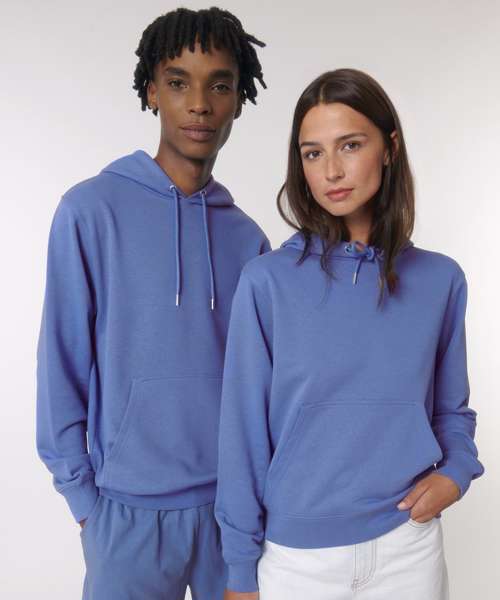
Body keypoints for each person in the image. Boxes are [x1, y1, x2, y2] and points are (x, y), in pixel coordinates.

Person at [214, 68, 485, 600]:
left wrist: (456, 471)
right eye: (313, 153)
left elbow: (451, 409)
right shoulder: (268, 282)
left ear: (390, 148)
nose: (332, 171)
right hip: (297, 560)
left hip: (408, 548)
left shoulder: (440, 280)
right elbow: (242, 434)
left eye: (351, 145)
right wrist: (240, 569)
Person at [36, 7, 270, 600]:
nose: (199, 105)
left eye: (219, 86)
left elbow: (262, 389)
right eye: (178, 82)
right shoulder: (91, 212)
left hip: (232, 515)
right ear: (151, 92)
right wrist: (85, 503)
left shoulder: (249, 240)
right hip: (125, 516)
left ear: (238, 100)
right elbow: (61, 363)